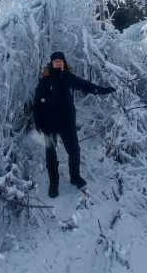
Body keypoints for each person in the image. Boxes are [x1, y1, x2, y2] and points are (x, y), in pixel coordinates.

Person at [32, 50, 113, 197]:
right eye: (55, 61)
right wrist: (37, 121)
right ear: (51, 63)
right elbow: (37, 101)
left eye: (60, 61)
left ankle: (74, 177)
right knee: (51, 154)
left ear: (64, 63)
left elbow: (85, 85)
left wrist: (102, 90)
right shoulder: (45, 79)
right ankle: (54, 183)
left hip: (67, 122)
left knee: (74, 151)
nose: (58, 63)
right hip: (49, 124)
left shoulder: (68, 78)